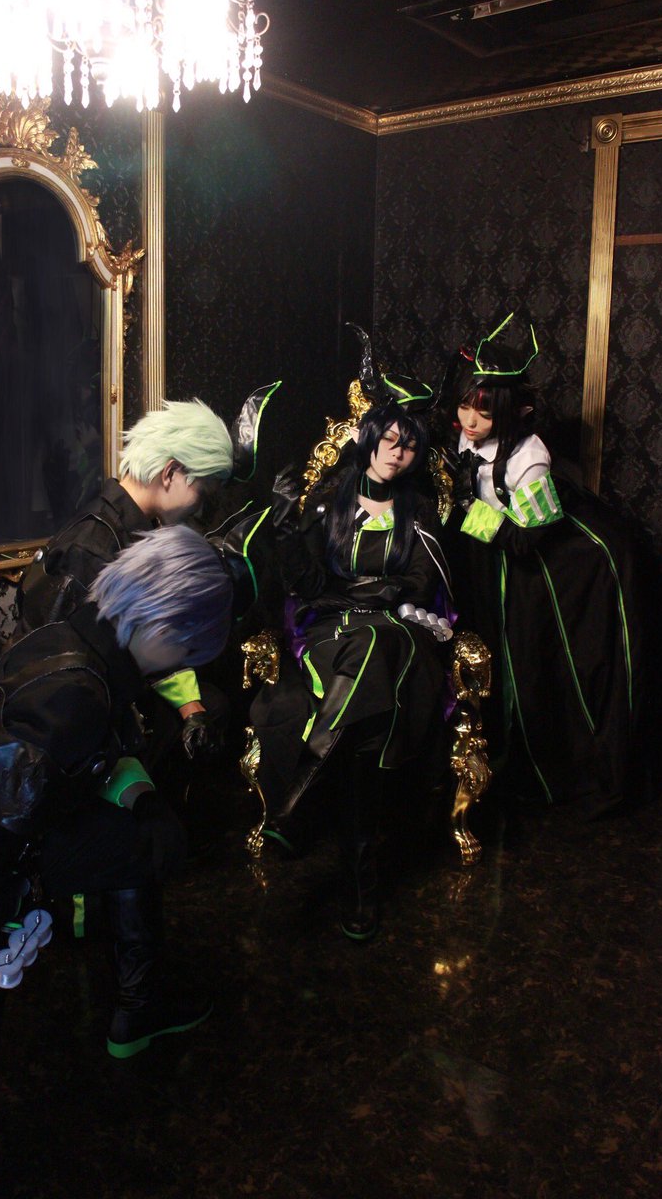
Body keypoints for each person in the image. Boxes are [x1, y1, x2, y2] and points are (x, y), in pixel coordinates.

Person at [0, 525, 233, 1130]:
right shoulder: (78, 693)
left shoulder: (74, 639)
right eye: (188, 649)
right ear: (164, 629)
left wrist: (141, 805)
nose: (185, 664)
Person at [250, 351, 452, 942]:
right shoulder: (328, 501)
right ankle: (359, 883)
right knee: (364, 711)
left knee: (374, 639)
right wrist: (284, 528)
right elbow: (311, 586)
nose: (397, 453)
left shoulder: (420, 511)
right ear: (369, 438)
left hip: (401, 639)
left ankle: (296, 806)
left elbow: (417, 587)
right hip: (333, 636)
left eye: (409, 446)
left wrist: (361, 593)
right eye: (389, 439)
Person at [439, 312, 647, 812]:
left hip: (524, 573)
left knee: (521, 671)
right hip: (477, 560)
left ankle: (524, 769)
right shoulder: (466, 435)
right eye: (465, 406)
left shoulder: (529, 457)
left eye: (484, 413)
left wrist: (466, 508)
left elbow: (524, 540)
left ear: (515, 412)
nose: (470, 421)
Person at [17, 397, 234, 765]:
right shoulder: (92, 548)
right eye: (203, 491)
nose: (199, 508)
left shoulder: (131, 529)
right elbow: (59, 680)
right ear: (171, 473)